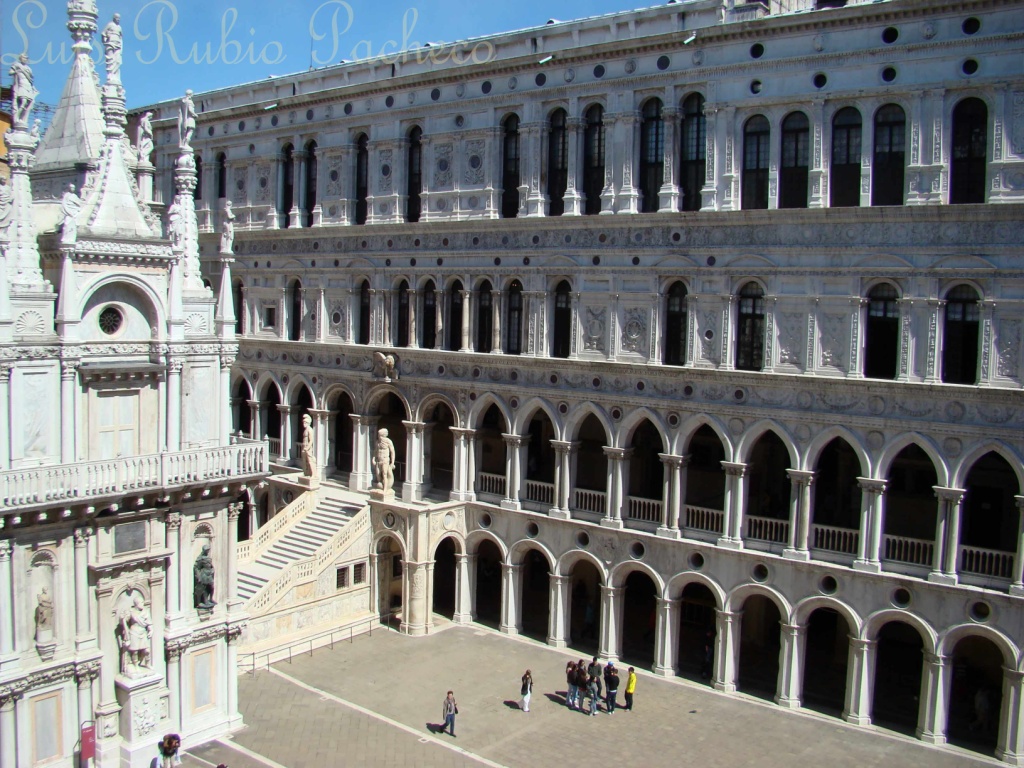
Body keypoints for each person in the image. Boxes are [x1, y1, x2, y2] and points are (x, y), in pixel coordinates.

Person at [373, 428, 396, 492]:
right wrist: (373, 458)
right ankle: (381, 485)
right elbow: (375, 451)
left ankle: (385, 489)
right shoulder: (377, 442)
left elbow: (392, 452)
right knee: (378, 475)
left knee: (384, 474)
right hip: (379, 460)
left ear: (383, 435)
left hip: (385, 460)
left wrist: (392, 462)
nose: (378, 436)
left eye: (379, 435)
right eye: (378, 435)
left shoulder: (388, 441)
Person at [102, 13, 123, 82]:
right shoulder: (110, 25)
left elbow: (121, 37)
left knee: (118, 61)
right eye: (117, 18)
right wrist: (104, 41)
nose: (118, 19)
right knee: (110, 60)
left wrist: (120, 46)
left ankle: (116, 77)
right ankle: (110, 76)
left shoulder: (119, 27)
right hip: (110, 43)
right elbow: (103, 33)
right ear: (114, 18)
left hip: (118, 45)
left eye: (119, 18)